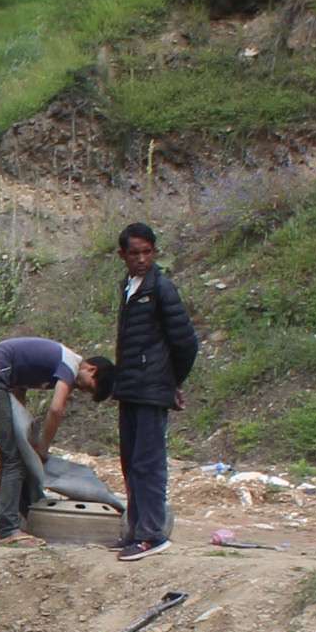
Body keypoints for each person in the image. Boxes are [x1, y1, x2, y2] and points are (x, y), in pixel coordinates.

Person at [108, 221, 200, 560]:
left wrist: (173, 382)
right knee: (131, 462)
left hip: (151, 389)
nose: (142, 259)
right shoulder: (129, 287)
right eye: (135, 253)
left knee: (149, 463)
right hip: (130, 388)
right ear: (123, 255)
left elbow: (186, 342)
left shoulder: (162, 288)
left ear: (154, 253)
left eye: (148, 252)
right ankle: (135, 530)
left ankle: (151, 535)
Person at [0, 334, 108, 543]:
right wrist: (42, 448)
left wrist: (25, 431)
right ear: (91, 369)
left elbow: (19, 384)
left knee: (15, 455)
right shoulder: (70, 365)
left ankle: (17, 520)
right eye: (88, 386)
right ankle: (8, 529)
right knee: (14, 458)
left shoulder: (58, 363)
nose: (82, 390)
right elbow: (56, 410)